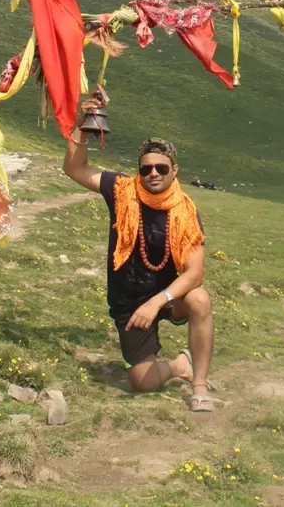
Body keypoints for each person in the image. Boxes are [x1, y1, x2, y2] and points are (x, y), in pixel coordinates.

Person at [62, 104, 215, 412]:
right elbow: (75, 168)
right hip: (129, 303)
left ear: (174, 170)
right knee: (142, 382)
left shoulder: (185, 212)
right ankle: (179, 366)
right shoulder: (121, 190)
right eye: (146, 168)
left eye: (161, 167)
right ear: (138, 170)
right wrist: (82, 125)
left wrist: (157, 302)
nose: (153, 173)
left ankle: (199, 384)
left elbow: (194, 273)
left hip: (167, 298)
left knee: (200, 299)